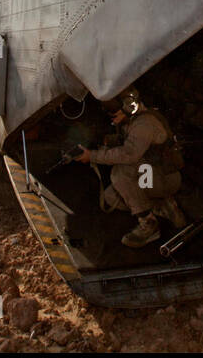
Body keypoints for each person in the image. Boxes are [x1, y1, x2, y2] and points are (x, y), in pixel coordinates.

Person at [76, 87, 187, 248]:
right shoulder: (134, 120)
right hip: (150, 175)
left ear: (129, 106)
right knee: (111, 197)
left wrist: (93, 156)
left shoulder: (145, 123)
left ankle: (149, 224)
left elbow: (129, 154)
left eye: (114, 115)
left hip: (164, 178)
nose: (112, 120)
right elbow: (131, 142)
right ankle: (162, 206)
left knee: (120, 174)